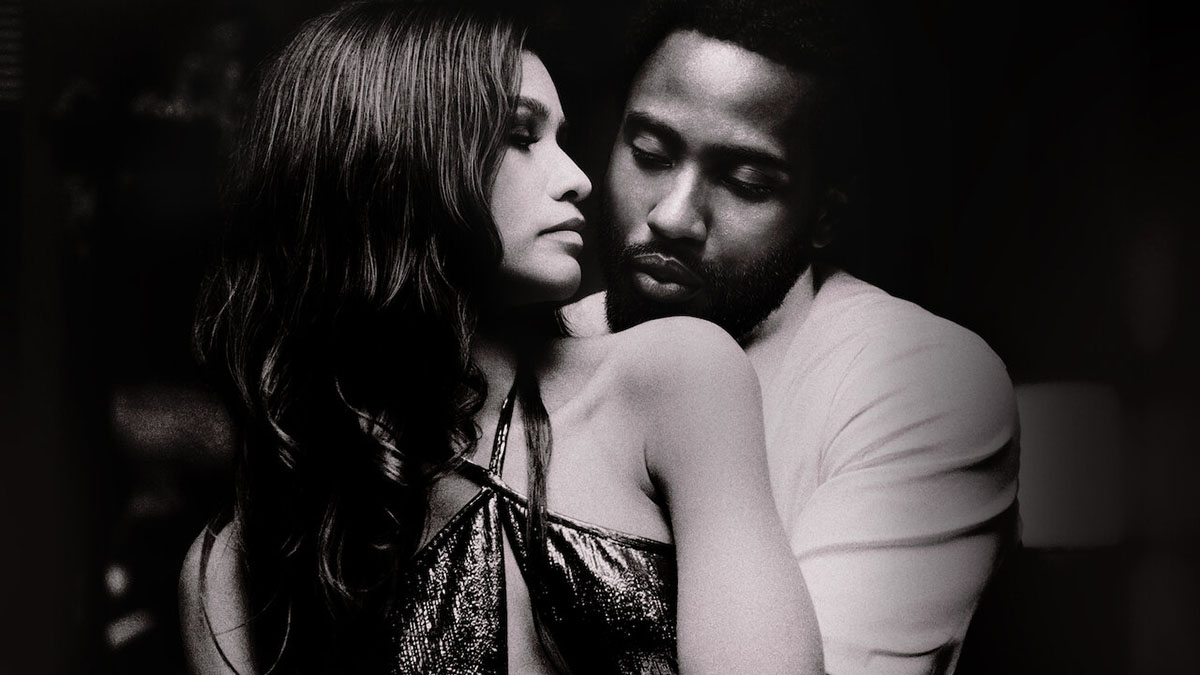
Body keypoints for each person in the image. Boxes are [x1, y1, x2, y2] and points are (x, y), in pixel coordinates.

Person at [177, 2, 822, 674]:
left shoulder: (676, 379)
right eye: (520, 135)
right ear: (393, 157)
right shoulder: (229, 571)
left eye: (561, 138)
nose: (578, 179)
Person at [565, 1, 1020, 672]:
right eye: (650, 154)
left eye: (746, 182)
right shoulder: (542, 343)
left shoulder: (919, 383)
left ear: (824, 217)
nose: (674, 216)